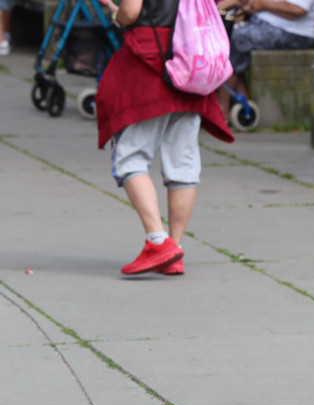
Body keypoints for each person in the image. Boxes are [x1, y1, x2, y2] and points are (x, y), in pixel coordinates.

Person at [96, 0, 234, 275]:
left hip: (151, 64)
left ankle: (158, 241)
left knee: (131, 158)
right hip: (193, 60)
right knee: (182, 163)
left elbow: (132, 11)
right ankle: (175, 250)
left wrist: (118, 14)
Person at [215, 0, 314, 117]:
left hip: (293, 33)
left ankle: (223, 109)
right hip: (267, 24)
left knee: (238, 39)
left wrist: (262, 5)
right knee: (227, 31)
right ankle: (243, 104)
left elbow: (298, 10)